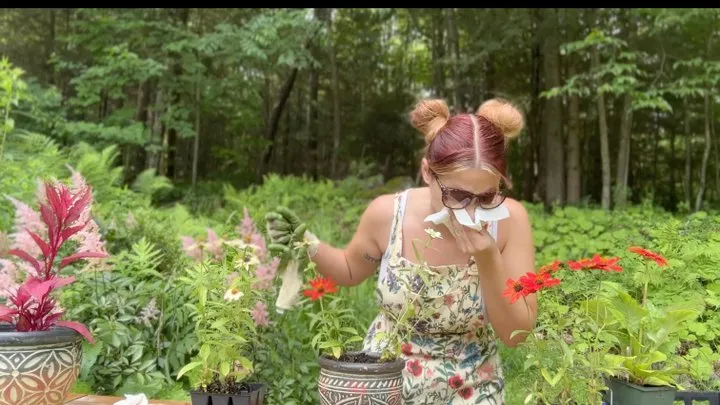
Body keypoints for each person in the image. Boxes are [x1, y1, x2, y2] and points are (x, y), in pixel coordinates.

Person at [266, 97, 537, 404]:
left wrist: (488, 259)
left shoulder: (510, 221)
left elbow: (517, 333)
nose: (471, 213)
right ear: (426, 172)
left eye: (486, 197)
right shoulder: (388, 213)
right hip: (385, 379)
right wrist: (308, 244)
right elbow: (351, 269)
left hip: (472, 385)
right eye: (457, 195)